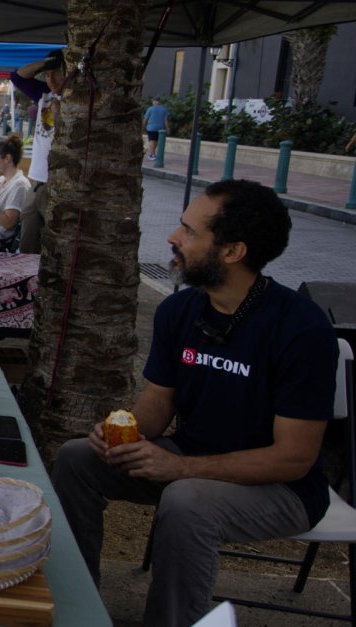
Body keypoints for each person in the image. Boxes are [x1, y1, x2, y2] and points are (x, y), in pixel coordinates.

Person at [52, 179, 338, 626]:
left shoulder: (301, 329)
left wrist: (182, 469)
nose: (172, 237)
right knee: (76, 458)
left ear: (232, 252)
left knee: (187, 501)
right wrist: (117, 432)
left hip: (283, 488)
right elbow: (158, 404)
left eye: (188, 230)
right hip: (192, 459)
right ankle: (77, 607)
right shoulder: (180, 310)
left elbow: (294, 458)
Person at [11, 49, 66, 254]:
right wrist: (46, 64)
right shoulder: (44, 93)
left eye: (56, 73)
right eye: (47, 74)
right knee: (28, 241)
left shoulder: (77, 100)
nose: (50, 78)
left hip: (58, 183)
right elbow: (17, 76)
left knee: (55, 243)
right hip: (36, 181)